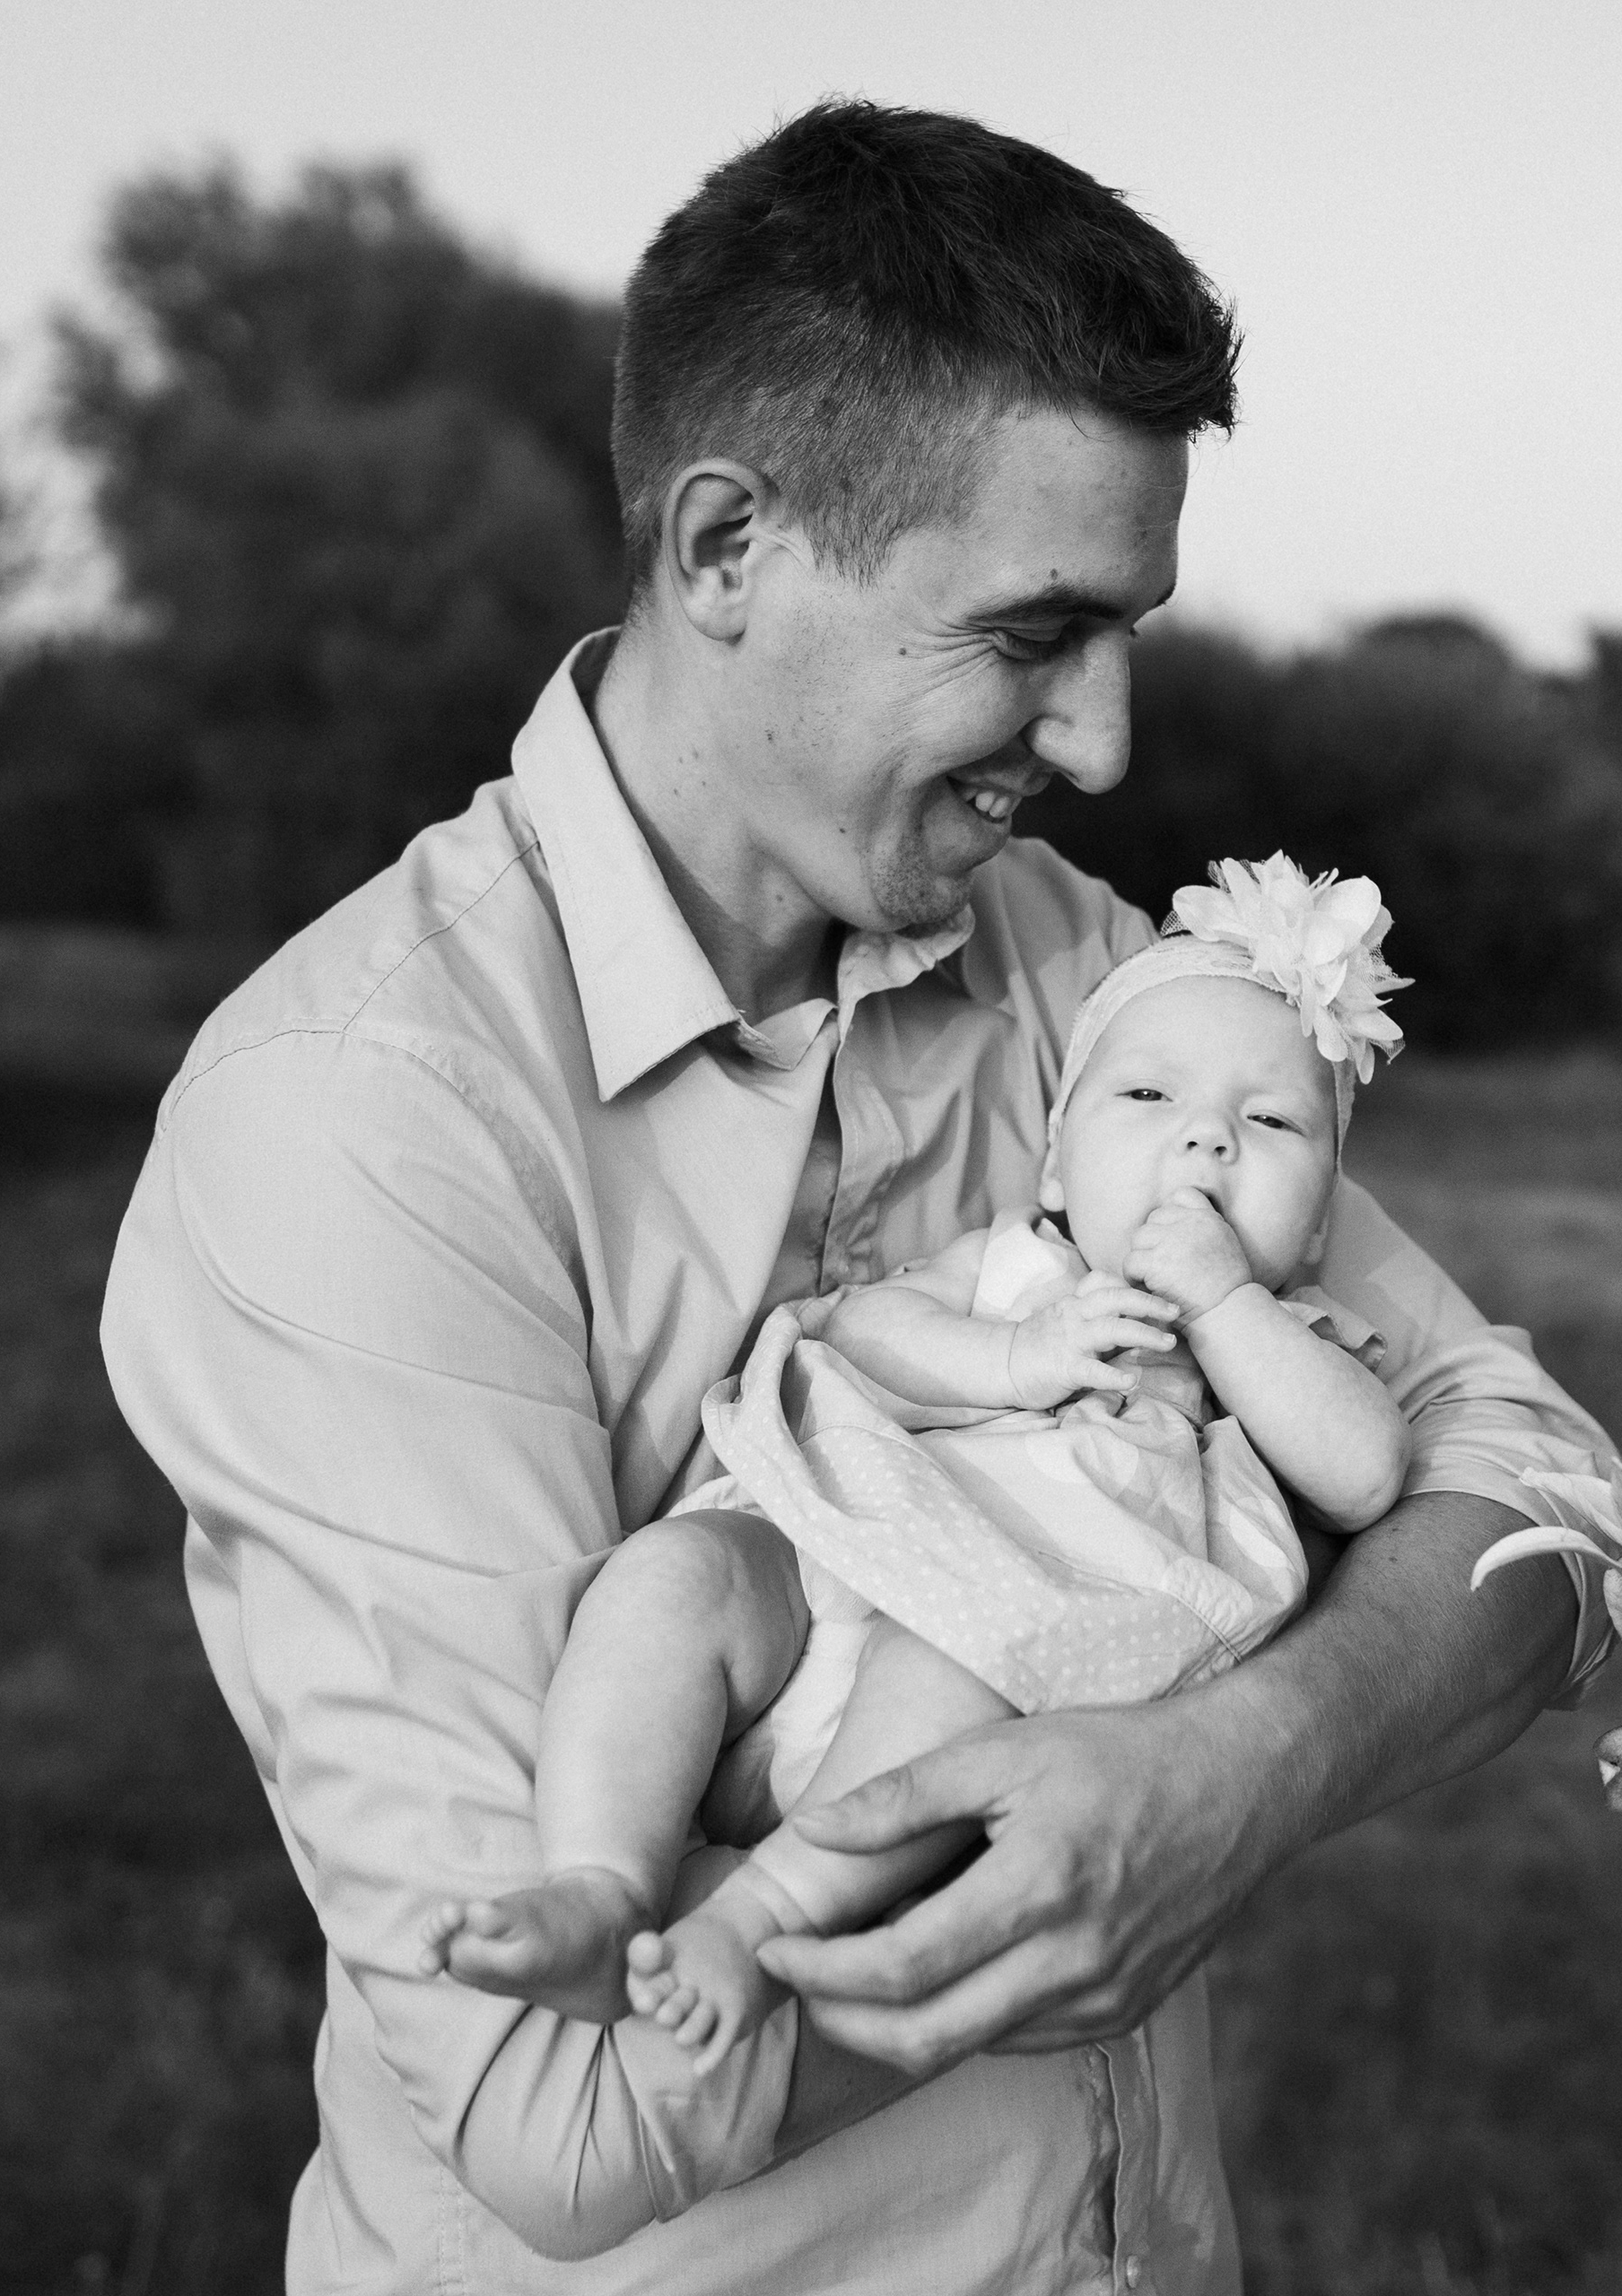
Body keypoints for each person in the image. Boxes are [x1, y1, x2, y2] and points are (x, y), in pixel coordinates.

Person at [100, 104, 1606, 2292]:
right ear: (728, 547)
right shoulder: (362, 1119)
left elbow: (1542, 1509)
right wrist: (1051, 1861)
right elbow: (562, 2114)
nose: (1101, 741)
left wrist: (1240, 1770)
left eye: (1127, 634)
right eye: (1034, 632)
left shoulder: (1089, 974)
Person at [416, 861, 1418, 2081]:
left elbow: (1364, 1473)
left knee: (955, 1653)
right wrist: (1015, 1356)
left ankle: (763, 1915)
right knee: (679, 1573)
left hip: (980, 1653)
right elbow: (863, 1330)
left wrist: (1224, 1307)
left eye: (1270, 1123)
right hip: (828, 1578)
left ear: (1317, 1225)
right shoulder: (1018, 1271)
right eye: (1149, 1094)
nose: (1206, 1136)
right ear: (1058, 1169)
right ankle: (599, 1879)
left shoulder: (1277, 1348)